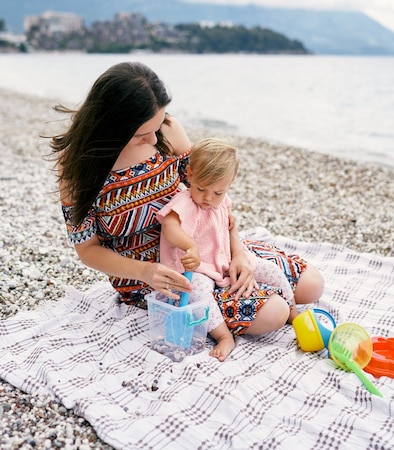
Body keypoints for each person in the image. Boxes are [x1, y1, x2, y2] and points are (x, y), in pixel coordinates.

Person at [50, 61, 324, 356]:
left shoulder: (167, 131)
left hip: (208, 244)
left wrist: (239, 252)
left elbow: (210, 198)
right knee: (275, 313)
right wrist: (145, 271)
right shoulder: (77, 168)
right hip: (159, 275)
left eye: (158, 125)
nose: (154, 139)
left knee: (311, 286)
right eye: (143, 133)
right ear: (114, 124)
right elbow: (87, 250)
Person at [157, 137, 303, 361]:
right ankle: (224, 336)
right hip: (198, 268)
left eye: (218, 192)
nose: (208, 198)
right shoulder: (184, 203)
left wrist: (239, 256)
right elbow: (170, 227)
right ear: (190, 174)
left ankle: (294, 314)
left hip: (223, 261)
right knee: (196, 290)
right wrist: (189, 246)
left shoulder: (223, 201)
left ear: (231, 182)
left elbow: (228, 229)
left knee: (271, 270)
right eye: (202, 189)